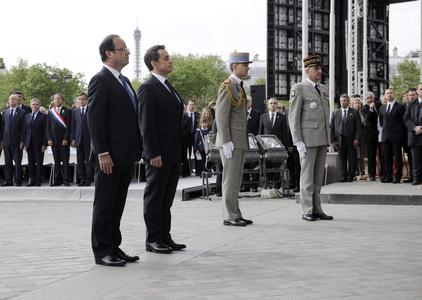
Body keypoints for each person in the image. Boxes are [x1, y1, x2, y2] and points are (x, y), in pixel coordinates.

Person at [87, 34, 142, 267]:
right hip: (108, 156)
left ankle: (114, 246)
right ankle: (102, 251)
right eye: (122, 49)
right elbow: (95, 119)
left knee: (117, 203)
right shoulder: (100, 80)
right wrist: (102, 152)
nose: (128, 52)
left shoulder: (125, 81)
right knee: (105, 203)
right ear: (109, 53)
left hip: (125, 154)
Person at [138, 45, 186, 253]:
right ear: (154, 63)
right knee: (155, 196)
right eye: (166, 58)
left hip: (172, 151)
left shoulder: (167, 85)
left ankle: (165, 236)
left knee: (166, 197)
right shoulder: (148, 87)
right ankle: (153, 238)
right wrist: (152, 152)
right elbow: (146, 124)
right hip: (158, 154)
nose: (171, 60)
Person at [288, 54, 333, 222]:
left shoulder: (323, 88)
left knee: (317, 177)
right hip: (307, 139)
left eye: (320, 69)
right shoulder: (299, 88)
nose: (319, 72)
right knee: (307, 176)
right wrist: (297, 140)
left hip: (322, 137)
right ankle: (307, 209)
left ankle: (317, 208)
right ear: (307, 71)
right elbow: (293, 117)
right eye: (315, 69)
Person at [215, 51, 253, 227]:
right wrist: (226, 140)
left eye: (247, 65)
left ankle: (236, 213)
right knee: (230, 179)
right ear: (234, 66)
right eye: (244, 65)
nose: (247, 67)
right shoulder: (228, 86)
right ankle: (229, 215)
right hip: (231, 141)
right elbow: (221, 116)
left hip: (239, 139)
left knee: (236, 178)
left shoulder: (239, 86)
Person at [259, 97, 292, 189]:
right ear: (268, 105)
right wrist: (260, 147)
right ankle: (269, 184)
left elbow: (285, 133)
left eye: (275, 103)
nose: (273, 105)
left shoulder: (282, 117)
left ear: (277, 105)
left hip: (278, 147)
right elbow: (260, 132)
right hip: (267, 147)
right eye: (271, 103)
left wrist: (285, 147)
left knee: (277, 166)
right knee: (268, 166)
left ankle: (277, 185)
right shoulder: (263, 117)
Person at [330, 94, 361, 182]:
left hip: (351, 140)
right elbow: (331, 128)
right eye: (341, 101)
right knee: (342, 159)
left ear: (348, 102)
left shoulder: (354, 112)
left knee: (352, 158)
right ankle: (343, 175)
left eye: (345, 101)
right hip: (340, 140)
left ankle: (351, 176)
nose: (343, 102)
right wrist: (332, 141)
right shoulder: (335, 113)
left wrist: (357, 139)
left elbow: (358, 128)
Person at [379, 88, 405, 184]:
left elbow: (403, 121)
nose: (389, 95)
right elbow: (381, 122)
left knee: (397, 157)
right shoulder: (382, 108)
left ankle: (397, 176)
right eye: (387, 93)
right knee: (386, 157)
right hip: (386, 136)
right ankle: (388, 176)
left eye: (390, 93)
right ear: (385, 96)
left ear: (394, 94)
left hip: (396, 136)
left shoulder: (400, 107)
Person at [46, 93, 71, 186]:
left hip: (64, 141)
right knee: (56, 161)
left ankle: (66, 180)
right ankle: (57, 180)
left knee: (65, 161)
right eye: (56, 99)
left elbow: (69, 127)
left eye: (59, 99)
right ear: (54, 100)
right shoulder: (51, 112)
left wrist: (66, 138)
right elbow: (47, 126)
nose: (57, 100)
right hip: (53, 140)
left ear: (62, 100)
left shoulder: (68, 111)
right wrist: (49, 139)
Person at [0, 94, 25, 186]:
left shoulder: (22, 112)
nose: (12, 101)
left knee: (17, 162)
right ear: (8, 100)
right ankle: (8, 180)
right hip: (6, 141)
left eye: (14, 99)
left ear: (17, 101)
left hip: (17, 142)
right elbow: (2, 128)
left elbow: (23, 129)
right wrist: (1, 141)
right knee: (7, 162)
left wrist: (22, 141)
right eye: (10, 99)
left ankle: (18, 180)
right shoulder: (5, 112)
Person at [22, 98, 47, 186]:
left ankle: (38, 180)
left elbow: (45, 131)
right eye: (33, 104)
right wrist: (24, 143)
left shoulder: (44, 116)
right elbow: (24, 131)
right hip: (29, 143)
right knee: (31, 162)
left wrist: (45, 144)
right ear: (30, 105)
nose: (35, 106)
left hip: (39, 143)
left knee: (39, 162)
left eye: (36, 104)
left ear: (39, 105)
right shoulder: (27, 116)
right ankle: (32, 180)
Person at [71, 93, 93, 186]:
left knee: (88, 161)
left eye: (83, 99)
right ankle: (81, 179)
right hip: (78, 139)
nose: (81, 101)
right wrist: (72, 138)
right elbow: (73, 126)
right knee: (79, 161)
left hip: (89, 140)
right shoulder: (75, 112)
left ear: (87, 100)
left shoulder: (91, 110)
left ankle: (88, 179)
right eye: (79, 99)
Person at [242, 95, 262, 192]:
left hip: (254, 144)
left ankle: (254, 185)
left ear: (251, 102)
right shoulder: (239, 114)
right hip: (242, 143)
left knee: (254, 165)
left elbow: (260, 130)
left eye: (248, 101)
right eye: (245, 101)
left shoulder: (258, 114)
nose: (246, 103)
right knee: (243, 165)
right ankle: (245, 186)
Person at [404, 83, 422, 185]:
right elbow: (406, 119)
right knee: (415, 160)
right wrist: (414, 128)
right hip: (414, 136)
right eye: (420, 89)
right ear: (417, 91)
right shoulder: (411, 104)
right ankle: (417, 178)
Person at [361, 92, 379, 181]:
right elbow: (367, 118)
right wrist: (371, 109)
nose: (369, 100)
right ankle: (372, 174)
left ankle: (384, 173)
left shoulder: (379, 105)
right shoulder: (364, 109)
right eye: (367, 98)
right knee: (371, 155)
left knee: (383, 154)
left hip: (381, 134)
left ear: (374, 98)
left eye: (371, 98)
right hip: (370, 135)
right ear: (365, 100)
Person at [402, 88, 418, 183]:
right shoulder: (402, 106)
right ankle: (411, 175)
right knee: (411, 157)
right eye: (409, 95)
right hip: (406, 136)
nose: (410, 97)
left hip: (416, 134)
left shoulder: (418, 105)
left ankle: (416, 176)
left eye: (413, 95)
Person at [352, 96, 367, 180]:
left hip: (362, 138)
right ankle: (354, 172)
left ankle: (362, 172)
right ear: (352, 104)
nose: (357, 104)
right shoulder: (351, 113)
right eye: (355, 103)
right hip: (354, 137)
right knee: (354, 156)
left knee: (361, 156)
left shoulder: (363, 113)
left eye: (359, 103)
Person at [194, 110, 213, 176]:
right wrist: (196, 149)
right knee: (202, 160)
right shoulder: (198, 130)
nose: (204, 124)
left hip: (208, 147)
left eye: (205, 123)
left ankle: (208, 172)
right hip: (201, 148)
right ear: (200, 123)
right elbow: (196, 140)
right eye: (203, 123)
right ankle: (202, 172)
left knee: (208, 160)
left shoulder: (209, 130)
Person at [184, 100, 200, 175]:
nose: (191, 106)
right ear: (187, 106)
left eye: (193, 105)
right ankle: (186, 171)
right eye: (190, 105)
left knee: (196, 151)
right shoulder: (184, 115)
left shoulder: (197, 115)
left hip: (195, 136)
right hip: (186, 136)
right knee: (186, 153)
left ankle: (198, 170)